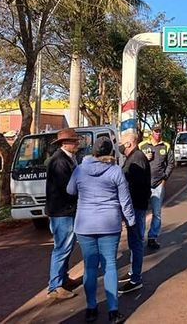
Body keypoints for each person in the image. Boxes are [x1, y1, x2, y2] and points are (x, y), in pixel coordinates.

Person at [67, 137, 135, 324]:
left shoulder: (80, 170)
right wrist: (130, 220)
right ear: (110, 152)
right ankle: (113, 312)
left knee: (90, 266)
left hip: (85, 225)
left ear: (93, 152)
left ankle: (91, 309)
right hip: (109, 224)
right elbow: (125, 200)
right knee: (110, 266)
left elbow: (70, 190)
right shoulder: (115, 171)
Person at [45, 127, 80, 301]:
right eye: (75, 141)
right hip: (61, 211)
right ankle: (55, 286)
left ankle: (63, 279)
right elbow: (67, 189)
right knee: (62, 247)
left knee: (67, 246)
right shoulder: (60, 161)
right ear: (66, 143)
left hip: (66, 210)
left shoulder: (68, 159)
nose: (78, 144)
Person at [118, 132, 151, 294]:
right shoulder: (133, 157)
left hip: (136, 207)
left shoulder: (136, 159)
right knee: (133, 242)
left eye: (121, 142)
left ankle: (136, 278)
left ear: (129, 144)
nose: (119, 144)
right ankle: (133, 271)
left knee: (136, 242)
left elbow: (134, 187)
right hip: (135, 206)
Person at [139, 125, 175, 250]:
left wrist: (165, 178)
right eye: (156, 131)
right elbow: (135, 161)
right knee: (142, 213)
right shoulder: (142, 146)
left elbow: (171, 163)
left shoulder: (166, 146)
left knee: (157, 213)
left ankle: (152, 238)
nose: (158, 133)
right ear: (152, 132)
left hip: (158, 184)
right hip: (143, 185)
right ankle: (139, 238)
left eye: (160, 131)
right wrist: (144, 158)